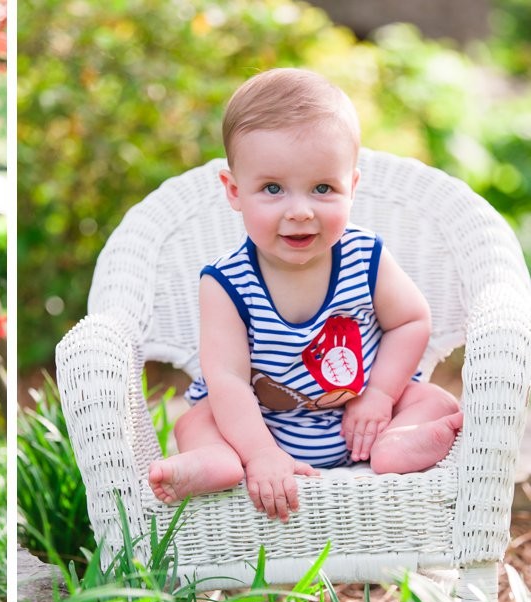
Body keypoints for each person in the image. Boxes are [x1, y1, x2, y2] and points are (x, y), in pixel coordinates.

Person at [148, 68, 463, 522]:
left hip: (363, 419)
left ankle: (401, 445)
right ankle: (218, 462)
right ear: (235, 192)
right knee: (196, 420)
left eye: (322, 188)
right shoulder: (225, 283)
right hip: (258, 428)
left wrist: (378, 394)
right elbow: (229, 380)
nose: (300, 211)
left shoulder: (365, 256)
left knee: (428, 399)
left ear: (351, 187)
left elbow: (411, 320)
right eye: (272, 189)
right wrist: (259, 453)